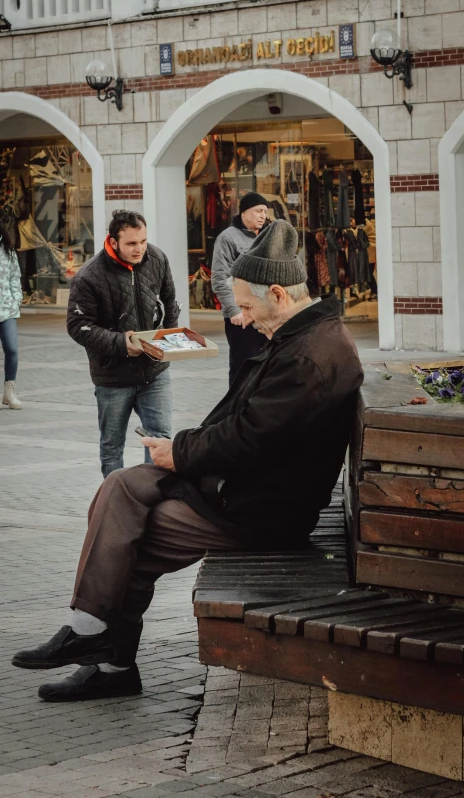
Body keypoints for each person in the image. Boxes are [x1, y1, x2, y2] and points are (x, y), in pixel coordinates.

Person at [13, 219, 364, 702]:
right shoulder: (304, 336)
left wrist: (179, 451)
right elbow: (249, 428)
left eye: (246, 306)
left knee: (127, 541)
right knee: (120, 486)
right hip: (242, 486)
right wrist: (178, 449)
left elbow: (249, 437)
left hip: (257, 509)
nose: (242, 318)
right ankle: (90, 631)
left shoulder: (307, 356)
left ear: (279, 294)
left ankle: (108, 658)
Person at [66, 210, 179, 477]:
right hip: (112, 376)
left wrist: (170, 338)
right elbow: (78, 326)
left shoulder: (158, 258)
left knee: (160, 440)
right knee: (112, 447)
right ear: (113, 241)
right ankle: (114, 503)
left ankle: (152, 503)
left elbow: (170, 303)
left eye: (142, 241)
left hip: (155, 372)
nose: (140, 249)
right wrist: (120, 343)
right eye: (131, 243)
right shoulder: (89, 276)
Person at [211, 192, 269, 385]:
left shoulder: (268, 236)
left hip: (267, 314)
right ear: (244, 212)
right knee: (242, 368)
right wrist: (234, 311)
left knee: (267, 368)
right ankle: (235, 411)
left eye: (265, 212)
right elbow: (220, 278)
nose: (263, 215)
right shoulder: (227, 238)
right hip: (242, 316)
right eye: (258, 211)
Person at [0, 213, 22, 410]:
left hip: (6, 309)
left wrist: (16, 301)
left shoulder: (7, 250)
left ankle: (9, 392)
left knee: (12, 349)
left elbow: (15, 277)